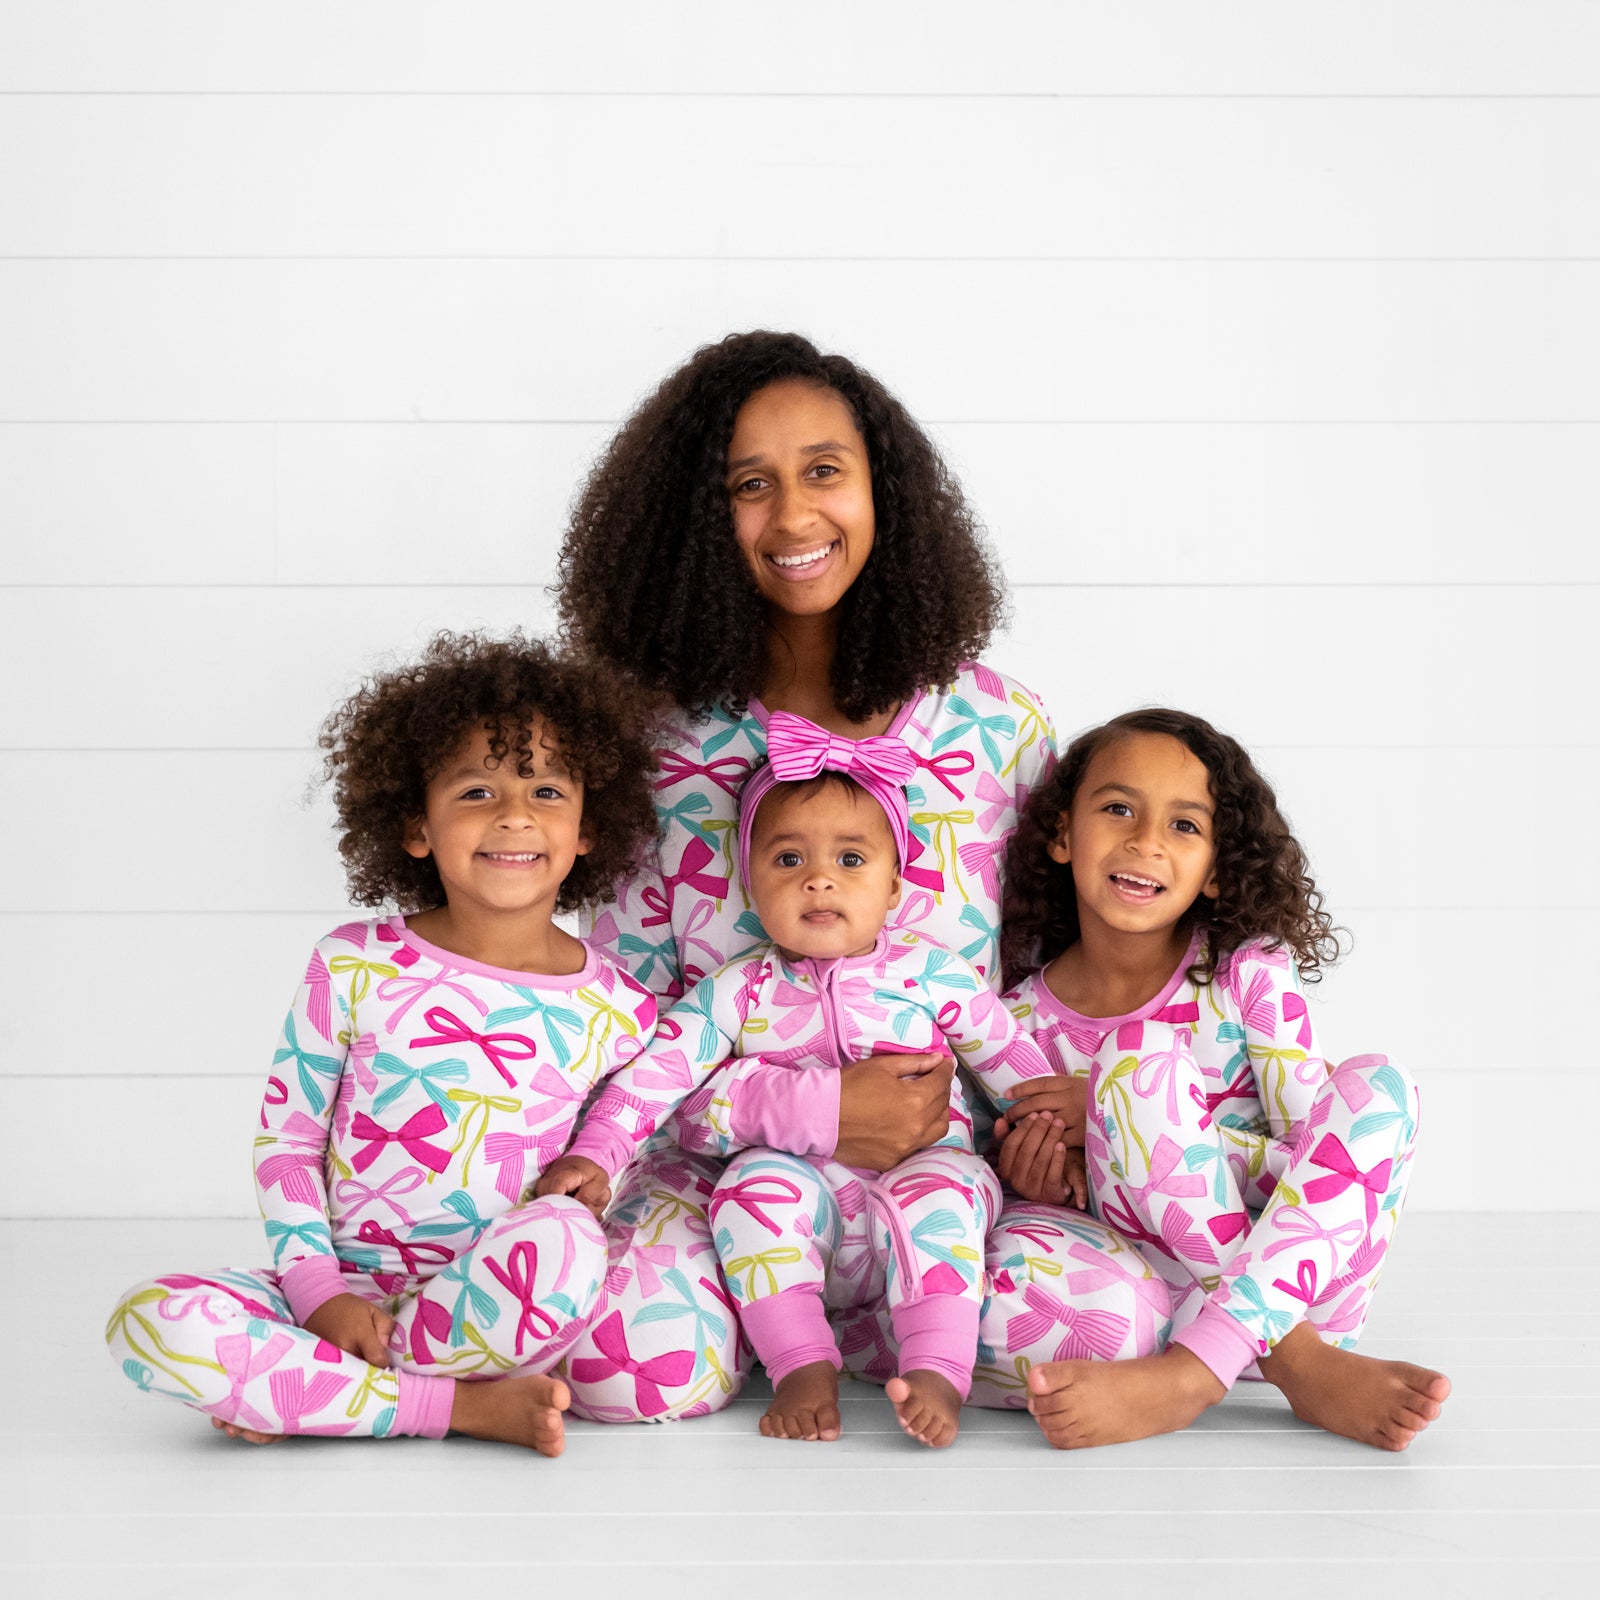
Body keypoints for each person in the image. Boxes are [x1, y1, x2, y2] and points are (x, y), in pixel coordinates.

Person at [558, 330, 1172, 1422]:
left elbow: (1039, 986)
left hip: (947, 1190)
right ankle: (786, 1329)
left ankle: (901, 1333)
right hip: (732, 1190)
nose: (795, 518)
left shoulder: (996, 725)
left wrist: (1054, 1124)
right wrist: (808, 1108)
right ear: (699, 523)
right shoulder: (651, 747)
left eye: (823, 472)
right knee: (618, 1360)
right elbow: (624, 1035)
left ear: (883, 489)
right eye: (750, 486)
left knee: (1105, 1323)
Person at [103, 632, 731, 1454]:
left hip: (500, 1291)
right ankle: (458, 1406)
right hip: (342, 1291)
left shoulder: (620, 1006)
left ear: (588, 829)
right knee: (148, 1324)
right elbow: (289, 1139)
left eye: (547, 789)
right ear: (415, 826)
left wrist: (598, 1176)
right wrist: (318, 1292)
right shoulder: (355, 962)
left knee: (576, 1248)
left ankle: (315, 1389)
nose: (514, 815)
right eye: (475, 792)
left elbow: (626, 1138)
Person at [546, 713, 1060, 1446]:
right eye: (788, 860)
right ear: (750, 886)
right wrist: (595, 1154)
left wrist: (1062, 1140)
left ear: (893, 886)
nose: (819, 877)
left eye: (851, 860)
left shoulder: (930, 972)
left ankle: (938, 1368)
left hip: (921, 1168)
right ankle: (800, 1363)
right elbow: (654, 1077)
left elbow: (1016, 1065)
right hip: (799, 1192)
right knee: (750, 1186)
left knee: (944, 1194)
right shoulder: (739, 989)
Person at [995, 708, 1452, 1450]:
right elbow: (1042, 1201)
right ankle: (1283, 1365)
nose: (1145, 841)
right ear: (1061, 835)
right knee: (1131, 1075)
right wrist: (1039, 1177)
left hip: (1298, 1286)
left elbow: (1318, 1159)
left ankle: (1208, 1372)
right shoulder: (1012, 1023)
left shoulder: (1249, 974)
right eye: (1118, 809)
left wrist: (1116, 1120)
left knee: (1379, 1085)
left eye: (1184, 826)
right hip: (1145, 1294)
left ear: (1215, 870)